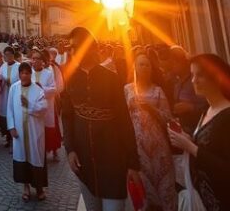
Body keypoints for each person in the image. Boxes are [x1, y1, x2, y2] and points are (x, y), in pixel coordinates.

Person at [62, 27, 141, 211]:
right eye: (70, 47)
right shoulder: (71, 79)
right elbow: (67, 117)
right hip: (84, 163)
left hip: (112, 161)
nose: (71, 51)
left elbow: (124, 122)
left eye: (75, 47)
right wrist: (70, 149)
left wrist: (132, 163)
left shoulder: (111, 78)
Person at [168, 53, 230, 211]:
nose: (194, 80)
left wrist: (191, 147)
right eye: (192, 75)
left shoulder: (227, 115)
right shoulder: (207, 110)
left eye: (199, 75)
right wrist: (187, 139)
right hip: (206, 197)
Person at [124, 51, 176, 211]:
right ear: (135, 67)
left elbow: (169, 119)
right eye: (141, 64)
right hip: (138, 148)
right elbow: (122, 119)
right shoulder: (127, 89)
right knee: (144, 191)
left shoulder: (158, 90)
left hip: (159, 148)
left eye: (148, 64)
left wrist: (151, 109)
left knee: (164, 190)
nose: (145, 67)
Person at [7, 62, 48, 202]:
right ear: (19, 74)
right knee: (22, 158)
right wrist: (11, 126)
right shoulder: (14, 88)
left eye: (27, 72)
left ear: (31, 74)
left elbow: (43, 109)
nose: (24, 75)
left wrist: (29, 105)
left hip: (34, 131)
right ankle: (25, 187)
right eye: (22, 73)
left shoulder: (38, 90)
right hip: (19, 131)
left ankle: (39, 188)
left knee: (35, 158)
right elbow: (10, 109)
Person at [168, 46, 207, 135]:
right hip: (186, 129)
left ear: (182, 61)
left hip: (200, 127)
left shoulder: (195, 81)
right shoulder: (176, 82)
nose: (172, 66)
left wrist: (191, 107)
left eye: (174, 62)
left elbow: (208, 104)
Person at [31, 49, 61, 161]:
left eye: (37, 58)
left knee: (49, 129)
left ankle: (54, 150)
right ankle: (40, 151)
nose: (34, 61)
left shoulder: (48, 74)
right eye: (33, 58)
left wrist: (41, 88)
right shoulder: (30, 74)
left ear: (42, 61)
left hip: (47, 106)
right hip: (35, 107)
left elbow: (53, 89)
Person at [0, 46, 19, 149]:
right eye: (5, 55)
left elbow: (21, 81)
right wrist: (1, 82)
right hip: (5, 95)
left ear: (13, 55)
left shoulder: (19, 66)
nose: (7, 57)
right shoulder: (3, 67)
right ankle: (8, 137)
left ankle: (13, 139)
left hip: (15, 96)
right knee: (6, 116)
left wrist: (11, 83)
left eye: (9, 55)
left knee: (14, 116)